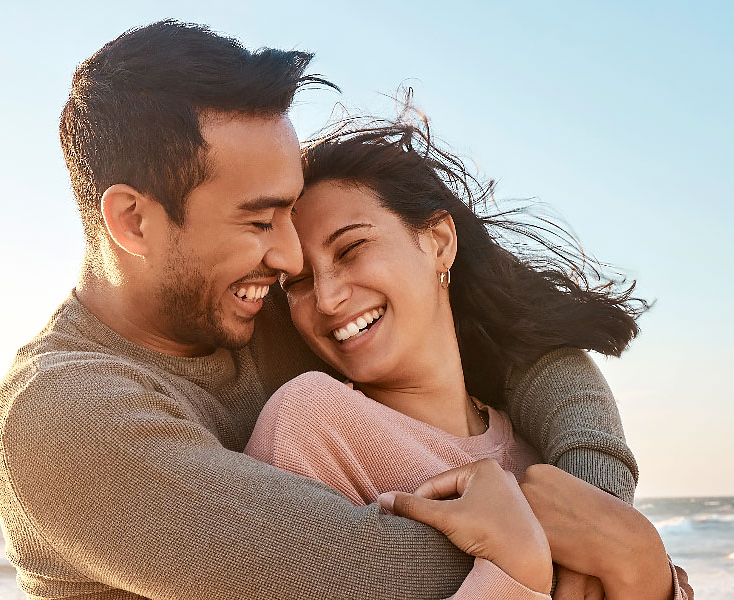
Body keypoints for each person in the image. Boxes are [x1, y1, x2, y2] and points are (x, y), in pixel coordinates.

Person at [0, 20, 641, 599]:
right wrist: (605, 558)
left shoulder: (259, 300)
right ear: (134, 221)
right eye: (259, 219)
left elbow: (517, 341)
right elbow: (363, 575)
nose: (295, 260)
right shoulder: (61, 418)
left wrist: (595, 501)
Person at [244, 120, 692, 598]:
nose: (328, 298)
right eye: (299, 282)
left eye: (351, 249)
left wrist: (642, 560)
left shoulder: (543, 455)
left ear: (439, 242)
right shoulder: (312, 425)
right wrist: (516, 571)